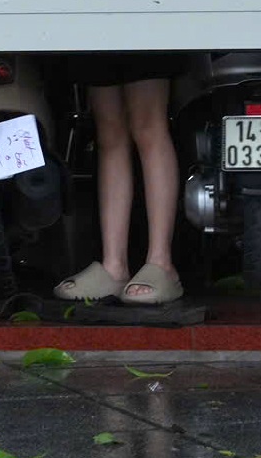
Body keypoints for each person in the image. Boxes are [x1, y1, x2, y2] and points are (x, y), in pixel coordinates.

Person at [57, 54, 186, 305]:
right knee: (109, 131)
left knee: (148, 124)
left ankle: (162, 262)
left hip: (147, 19)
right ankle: (113, 265)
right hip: (101, 22)